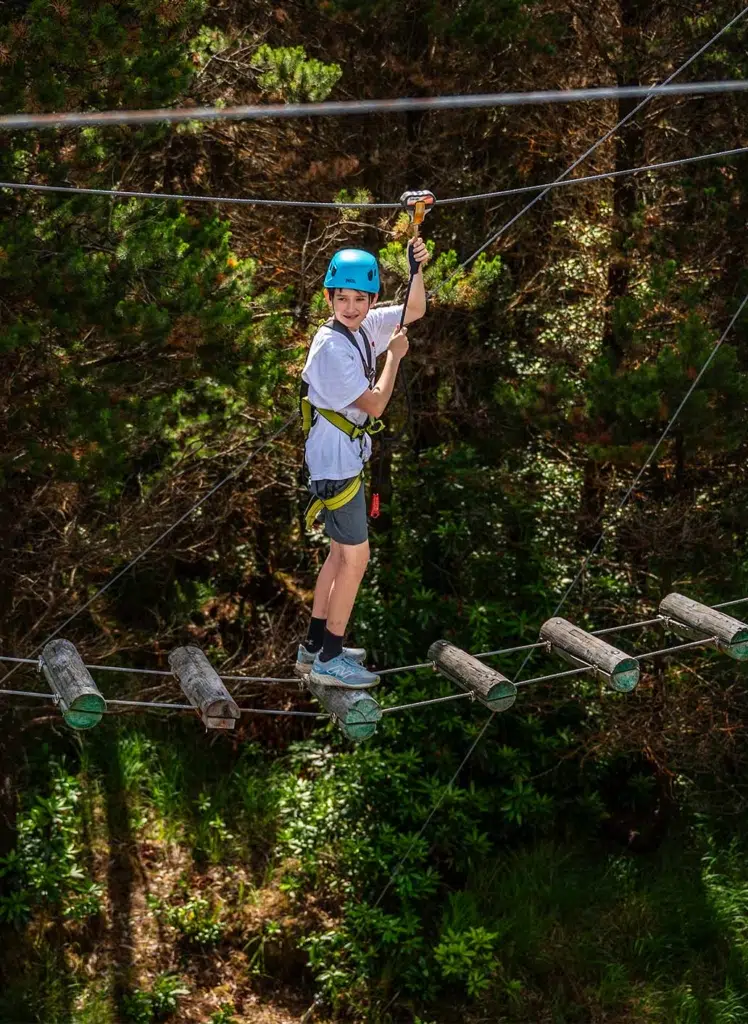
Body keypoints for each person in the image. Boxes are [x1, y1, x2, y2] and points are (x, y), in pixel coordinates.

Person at [296, 239, 430, 688]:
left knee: (338, 554)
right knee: (356, 558)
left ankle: (314, 645)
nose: (350, 307)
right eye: (342, 299)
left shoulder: (360, 326)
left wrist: (416, 269)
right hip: (336, 468)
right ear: (329, 298)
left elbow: (413, 311)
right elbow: (374, 405)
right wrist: (393, 358)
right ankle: (330, 658)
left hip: (334, 461)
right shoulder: (331, 348)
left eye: (359, 299)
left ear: (370, 300)